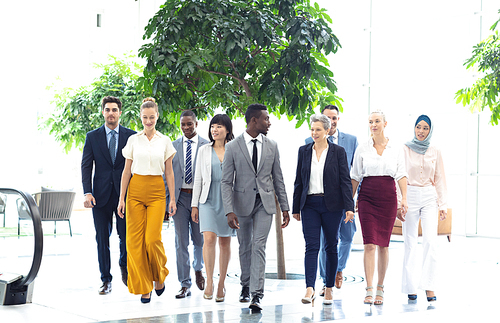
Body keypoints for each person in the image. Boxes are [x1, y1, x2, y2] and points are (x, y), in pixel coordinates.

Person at [221, 103, 290, 312]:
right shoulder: (233, 147)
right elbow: (226, 181)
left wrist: (285, 207)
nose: (269, 122)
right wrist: (229, 210)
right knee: (245, 246)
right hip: (241, 205)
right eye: (266, 119)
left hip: (265, 204)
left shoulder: (272, 145)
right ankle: (245, 285)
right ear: (254, 120)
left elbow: (278, 178)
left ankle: (256, 294)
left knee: (259, 245)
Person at [117, 97, 176, 303]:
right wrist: (121, 198)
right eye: (145, 118)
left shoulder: (165, 141)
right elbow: (126, 171)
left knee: (152, 240)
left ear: (157, 116)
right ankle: (144, 286)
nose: (148, 121)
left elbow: (169, 172)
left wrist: (172, 199)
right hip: (135, 191)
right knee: (134, 243)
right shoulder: (133, 140)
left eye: (152, 117)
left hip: (157, 192)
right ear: (140, 118)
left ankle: (159, 276)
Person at [293, 114, 355, 305]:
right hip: (309, 205)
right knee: (311, 247)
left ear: (327, 131)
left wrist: (349, 208)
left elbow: (345, 181)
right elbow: (299, 181)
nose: (314, 133)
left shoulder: (338, 152)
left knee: (330, 246)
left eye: (318, 129)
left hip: (332, 206)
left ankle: (328, 288)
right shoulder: (304, 151)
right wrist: (295, 207)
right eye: (312, 129)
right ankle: (309, 288)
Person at [350, 110, 408, 305]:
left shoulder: (395, 148)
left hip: (388, 198)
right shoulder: (362, 148)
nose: (373, 125)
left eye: (377, 121)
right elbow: (355, 176)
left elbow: (401, 175)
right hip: (366, 197)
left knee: (383, 244)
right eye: (370, 122)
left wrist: (404, 200)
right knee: (369, 243)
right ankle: (368, 287)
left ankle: (380, 287)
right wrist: (349, 202)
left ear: (385, 123)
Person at [82, 96, 136, 295]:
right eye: (107, 109)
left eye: (114, 109)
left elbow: (135, 167)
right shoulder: (92, 137)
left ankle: (125, 267)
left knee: (126, 237)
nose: (111, 113)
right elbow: (86, 166)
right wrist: (87, 192)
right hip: (100, 197)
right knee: (102, 238)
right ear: (103, 112)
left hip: (125, 196)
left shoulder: (132, 136)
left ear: (120, 112)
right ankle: (106, 279)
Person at [305, 105, 358, 294]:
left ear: (337, 120)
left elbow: (352, 174)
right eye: (328, 117)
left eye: (334, 117)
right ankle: (326, 278)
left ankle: (338, 269)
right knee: (322, 241)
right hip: (317, 201)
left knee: (347, 236)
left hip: (344, 198)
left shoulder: (350, 141)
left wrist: (351, 202)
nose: (332, 120)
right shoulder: (308, 143)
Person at [399, 115, 447, 303]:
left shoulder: (435, 150)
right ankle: (410, 286)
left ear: (430, 130)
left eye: (425, 128)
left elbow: (440, 178)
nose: (421, 131)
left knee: (430, 241)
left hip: (429, 196)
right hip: (409, 194)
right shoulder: (404, 149)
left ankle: (429, 286)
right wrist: (399, 200)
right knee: (409, 241)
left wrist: (442, 204)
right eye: (418, 127)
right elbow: (399, 176)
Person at [191, 114, 235, 303]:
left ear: (227, 130)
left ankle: (221, 283)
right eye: (212, 127)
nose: (214, 130)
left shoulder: (234, 150)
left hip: (228, 201)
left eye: (219, 127)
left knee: (225, 242)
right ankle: (209, 281)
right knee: (208, 239)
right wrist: (194, 205)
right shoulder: (203, 150)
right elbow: (198, 178)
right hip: (207, 199)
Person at [167, 110, 209, 299]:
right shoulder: (173, 146)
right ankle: (185, 283)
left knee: (199, 240)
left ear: (196, 124)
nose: (186, 127)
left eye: (189, 124)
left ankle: (198, 268)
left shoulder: (206, 146)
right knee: (180, 242)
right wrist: (169, 201)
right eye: (183, 124)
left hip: (200, 199)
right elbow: (166, 175)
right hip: (180, 198)